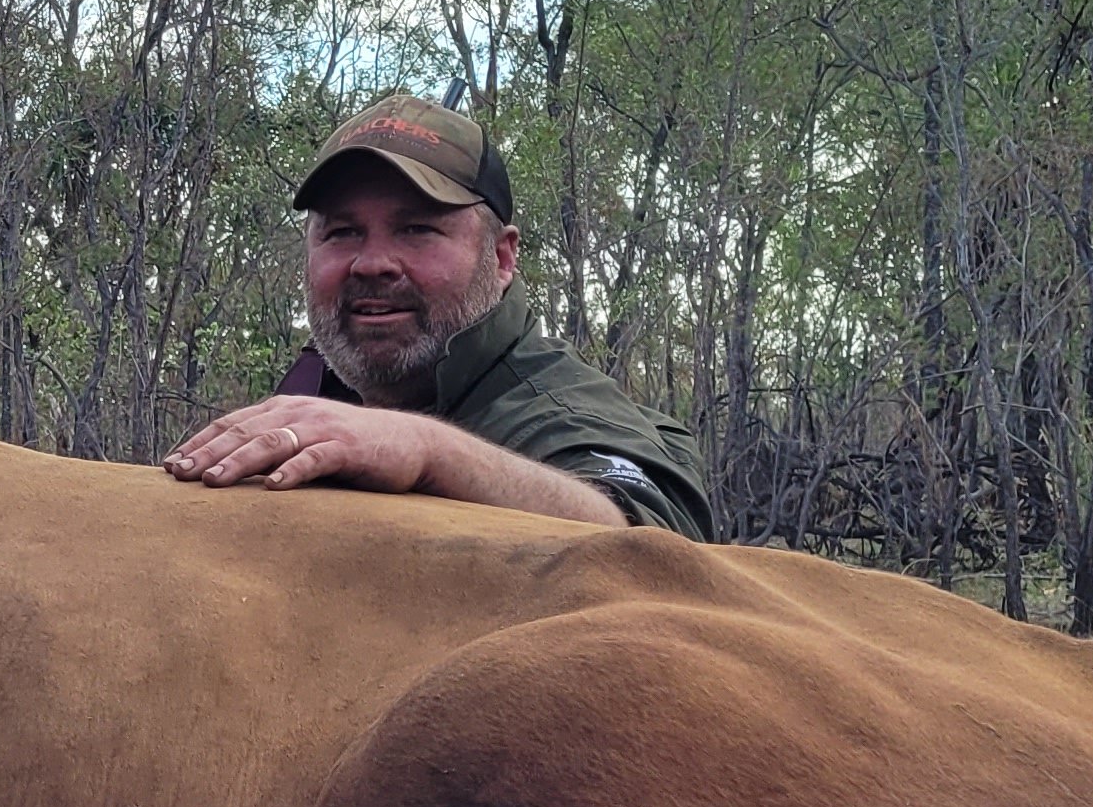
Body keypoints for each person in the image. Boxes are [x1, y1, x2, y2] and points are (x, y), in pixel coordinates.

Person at [166, 94, 712, 537]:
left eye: (417, 229)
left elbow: (650, 538)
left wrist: (429, 452)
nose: (373, 263)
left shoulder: (556, 409)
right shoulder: (319, 393)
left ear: (500, 258)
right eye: (342, 232)